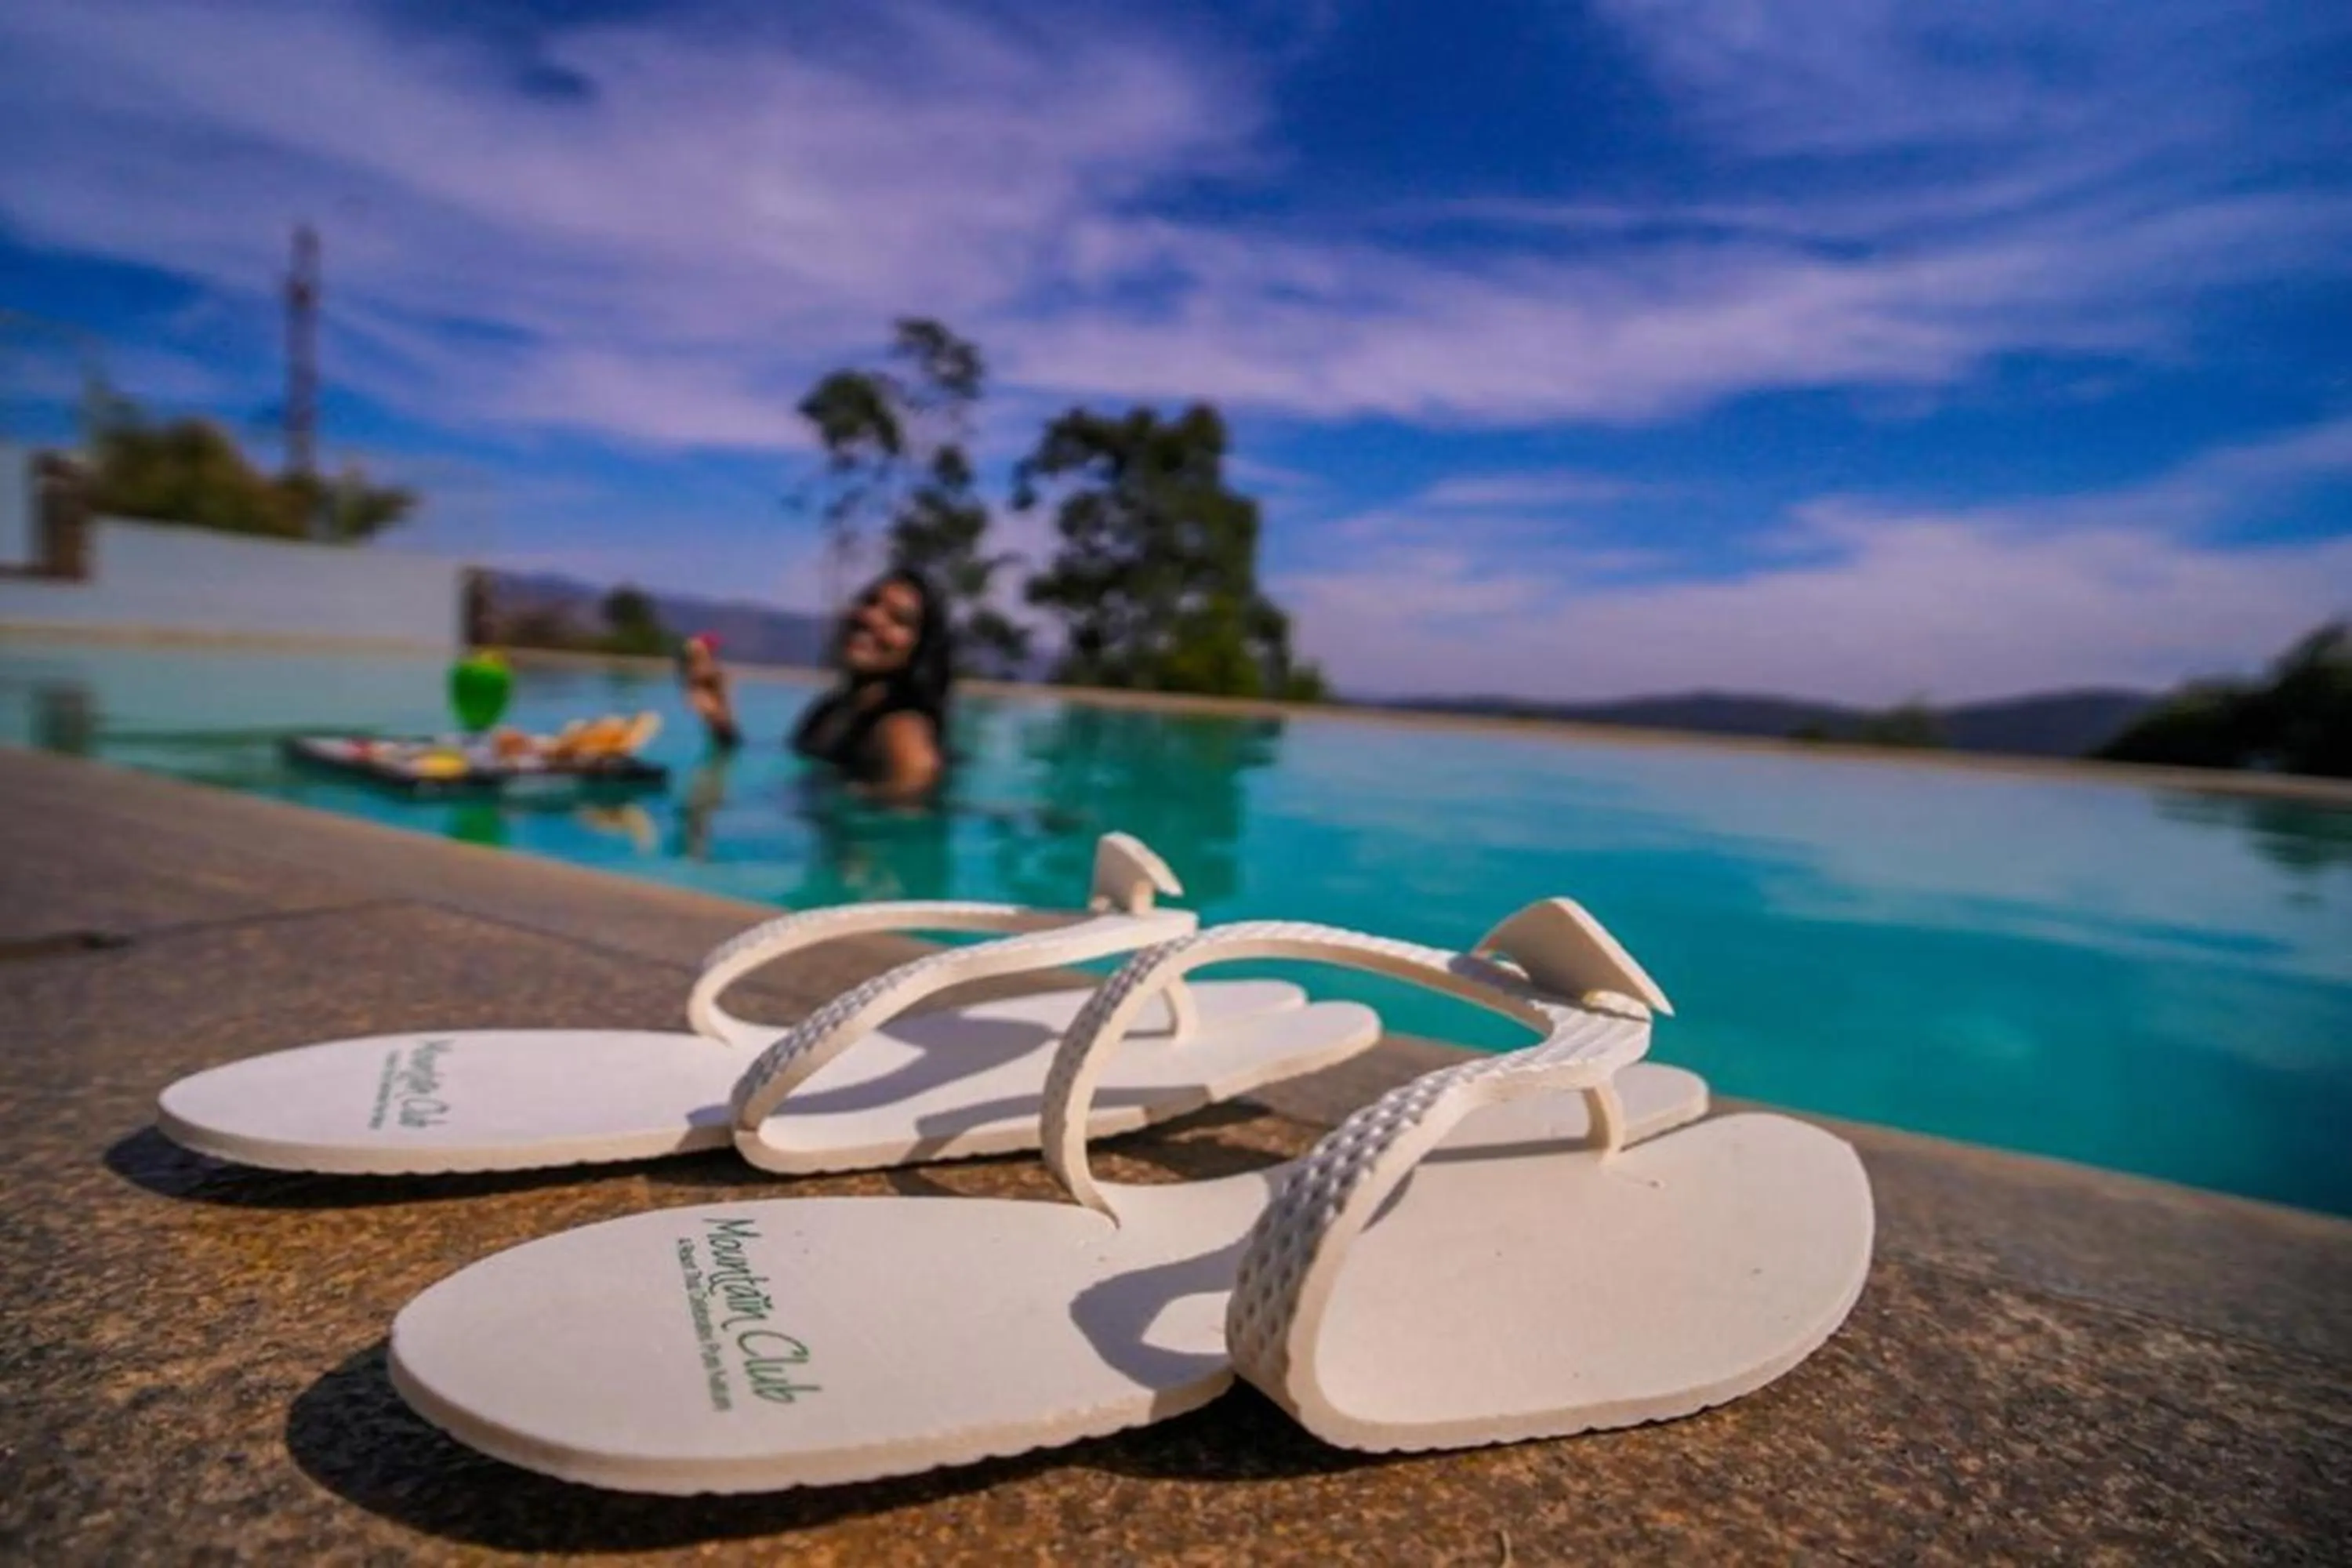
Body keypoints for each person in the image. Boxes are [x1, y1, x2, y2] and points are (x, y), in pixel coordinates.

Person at [789, 568, 950, 798]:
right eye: (869, 602)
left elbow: (912, 802)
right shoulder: (832, 708)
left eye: (898, 620)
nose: (870, 617)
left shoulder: (901, 731)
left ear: (918, 650)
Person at [678, 633, 742, 751]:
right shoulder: (700, 667)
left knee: (722, 742)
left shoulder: (699, 667)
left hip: (717, 716)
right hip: (717, 716)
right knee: (726, 743)